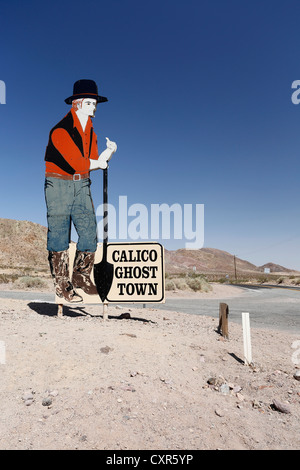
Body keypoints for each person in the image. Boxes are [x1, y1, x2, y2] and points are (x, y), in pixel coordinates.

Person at [44, 79, 117, 302]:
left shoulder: (92, 133)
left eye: (95, 103)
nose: (94, 107)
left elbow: (92, 161)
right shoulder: (60, 130)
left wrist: (107, 153)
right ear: (77, 103)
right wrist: (98, 163)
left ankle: (81, 276)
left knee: (88, 232)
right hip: (58, 183)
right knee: (59, 234)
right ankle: (62, 284)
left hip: (82, 183)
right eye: (89, 103)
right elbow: (77, 161)